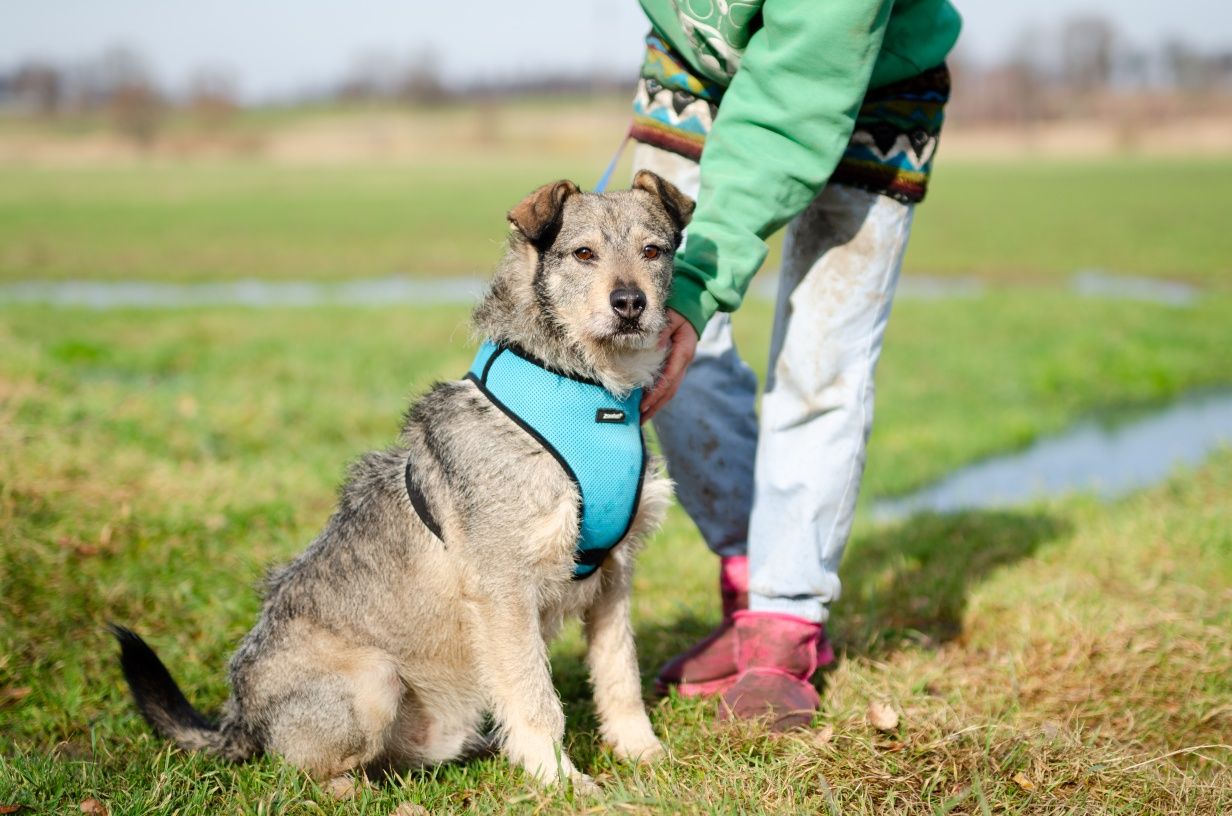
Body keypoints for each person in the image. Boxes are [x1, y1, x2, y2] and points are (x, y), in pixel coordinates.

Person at [627, 0, 962, 729]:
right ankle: (751, 582)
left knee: (821, 358)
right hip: (696, 71)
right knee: (651, 343)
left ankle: (785, 626)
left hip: (867, 80)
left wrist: (697, 286)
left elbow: (793, 103)